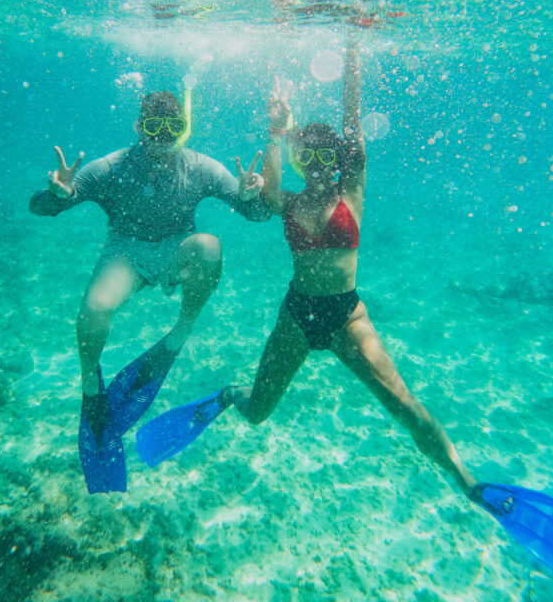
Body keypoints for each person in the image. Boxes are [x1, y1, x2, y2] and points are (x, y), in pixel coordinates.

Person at [135, 40, 475, 496]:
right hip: (297, 315)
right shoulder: (289, 201)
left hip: (345, 317)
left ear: (339, 161)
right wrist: (276, 131)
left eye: (324, 158)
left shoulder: (351, 190)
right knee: (255, 412)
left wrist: (353, 56)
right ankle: (229, 395)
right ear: (298, 161)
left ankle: (468, 483)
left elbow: (352, 122)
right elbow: (269, 193)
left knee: (404, 406)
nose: (315, 167)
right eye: (306, 159)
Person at [30, 89, 270, 493]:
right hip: (126, 254)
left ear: (182, 130)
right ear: (138, 128)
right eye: (153, 128)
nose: (161, 138)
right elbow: (40, 207)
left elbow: (257, 214)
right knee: (94, 309)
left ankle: (180, 333)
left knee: (210, 247)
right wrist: (57, 196)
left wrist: (251, 198)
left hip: (178, 251)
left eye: (171, 128)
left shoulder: (200, 167)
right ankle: (92, 386)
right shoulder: (110, 167)